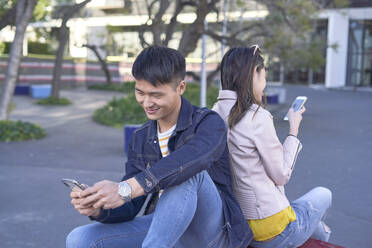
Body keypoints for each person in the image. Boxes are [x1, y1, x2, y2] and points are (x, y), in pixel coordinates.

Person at [66, 46, 252, 248]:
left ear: (180, 87)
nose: (147, 102)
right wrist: (99, 208)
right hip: (164, 229)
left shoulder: (208, 123)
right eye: (140, 92)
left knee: (188, 172)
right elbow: (131, 206)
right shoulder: (141, 138)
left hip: (211, 234)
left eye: (156, 95)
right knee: (80, 238)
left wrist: (125, 189)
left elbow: (190, 160)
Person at [212, 46, 332, 248]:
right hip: (272, 229)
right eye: (264, 77)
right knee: (324, 193)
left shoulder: (214, 113)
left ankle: (320, 231)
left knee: (316, 224)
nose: (265, 84)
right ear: (254, 75)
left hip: (238, 223)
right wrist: (293, 129)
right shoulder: (257, 117)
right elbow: (281, 175)